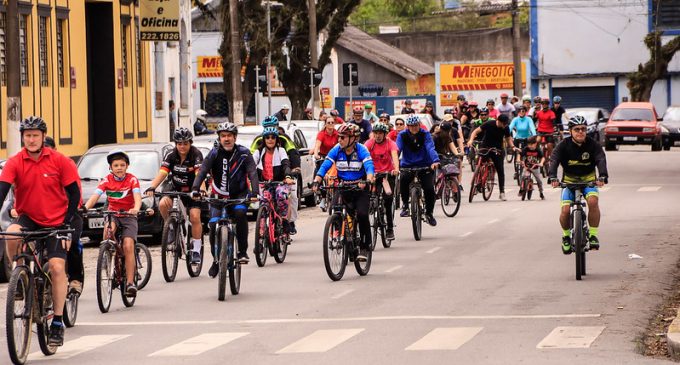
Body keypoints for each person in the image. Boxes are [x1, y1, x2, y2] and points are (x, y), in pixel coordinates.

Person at [0, 116, 82, 347]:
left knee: (56, 268)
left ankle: (57, 321)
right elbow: (3, 189)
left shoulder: (60, 161)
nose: (32, 139)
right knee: (11, 233)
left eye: (36, 135)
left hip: (57, 221)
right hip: (29, 217)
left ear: (43, 137)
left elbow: (74, 195)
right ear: (23, 138)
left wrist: (67, 225)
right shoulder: (15, 161)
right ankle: (19, 275)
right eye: (27, 135)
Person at [193, 122, 260, 272]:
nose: (226, 139)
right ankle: (216, 260)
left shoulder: (243, 153)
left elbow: (252, 172)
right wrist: (195, 189)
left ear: (235, 137)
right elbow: (203, 171)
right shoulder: (214, 153)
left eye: (229, 135)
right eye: (223, 136)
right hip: (218, 196)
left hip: (239, 195)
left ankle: (242, 252)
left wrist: (255, 192)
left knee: (240, 214)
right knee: (212, 225)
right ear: (219, 138)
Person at [83, 150, 142, 296]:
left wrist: (135, 208)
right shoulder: (106, 180)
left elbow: (137, 197)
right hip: (113, 214)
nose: (119, 167)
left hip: (128, 215)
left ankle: (130, 283)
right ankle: (108, 260)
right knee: (107, 235)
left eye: (122, 165)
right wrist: (84, 208)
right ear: (111, 167)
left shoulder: (132, 180)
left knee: (128, 245)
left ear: (127, 166)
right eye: (116, 165)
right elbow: (95, 196)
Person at [313, 124, 375, 261]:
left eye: (343, 137)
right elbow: (326, 164)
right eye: (338, 137)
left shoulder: (361, 150)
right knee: (334, 210)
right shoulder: (337, 149)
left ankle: (365, 246)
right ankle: (339, 234)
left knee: (363, 215)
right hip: (343, 188)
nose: (339, 140)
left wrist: (368, 180)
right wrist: (317, 180)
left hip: (360, 188)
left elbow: (369, 166)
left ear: (353, 138)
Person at [549, 115, 608, 254]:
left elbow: (600, 158)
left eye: (583, 129)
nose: (580, 132)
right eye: (577, 129)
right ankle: (566, 237)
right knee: (564, 211)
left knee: (593, 202)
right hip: (569, 182)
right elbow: (554, 159)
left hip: (588, 180)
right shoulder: (563, 145)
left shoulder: (593, 144)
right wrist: (552, 176)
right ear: (570, 131)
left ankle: (593, 235)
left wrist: (603, 176)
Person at [145, 127, 204, 264]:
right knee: (162, 203)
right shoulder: (171, 155)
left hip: (192, 189)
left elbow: (199, 174)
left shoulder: (196, 154)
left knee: (195, 216)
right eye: (179, 143)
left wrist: (200, 190)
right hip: (175, 186)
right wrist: (152, 186)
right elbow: (163, 172)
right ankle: (171, 227)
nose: (182, 146)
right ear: (175, 144)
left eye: (185, 143)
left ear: (190, 143)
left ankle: (195, 250)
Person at [250, 116, 301, 235]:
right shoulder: (258, 142)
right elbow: (251, 158)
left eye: (273, 134)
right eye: (267, 136)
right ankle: (262, 234)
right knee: (262, 202)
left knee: (290, 196)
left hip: (283, 177)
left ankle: (289, 221)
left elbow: (292, 154)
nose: (270, 139)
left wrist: (294, 169)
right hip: (265, 181)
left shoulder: (283, 140)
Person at [397, 115, 440, 226]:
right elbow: (397, 150)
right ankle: (405, 205)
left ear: (419, 125)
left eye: (416, 125)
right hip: (408, 165)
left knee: (429, 189)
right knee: (403, 180)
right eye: (411, 126)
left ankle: (429, 213)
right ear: (408, 126)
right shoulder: (402, 135)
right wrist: (395, 164)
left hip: (425, 165)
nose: (414, 128)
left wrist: (435, 160)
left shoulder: (425, 134)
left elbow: (430, 147)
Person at [467, 114, 518, 201]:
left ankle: (502, 192)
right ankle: (478, 178)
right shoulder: (489, 124)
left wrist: (513, 147)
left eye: (506, 124)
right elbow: (475, 131)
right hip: (485, 146)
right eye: (504, 124)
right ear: (499, 121)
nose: (505, 125)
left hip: (497, 149)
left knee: (500, 170)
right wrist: (471, 140)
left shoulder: (506, 128)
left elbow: (508, 138)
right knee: (479, 161)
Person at [364, 122, 399, 240]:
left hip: (387, 176)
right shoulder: (369, 143)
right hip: (373, 175)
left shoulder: (390, 143)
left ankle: (389, 228)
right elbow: (364, 156)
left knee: (388, 200)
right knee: (369, 197)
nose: (378, 136)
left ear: (385, 134)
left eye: (380, 133)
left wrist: (396, 169)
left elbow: (394, 155)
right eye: (376, 133)